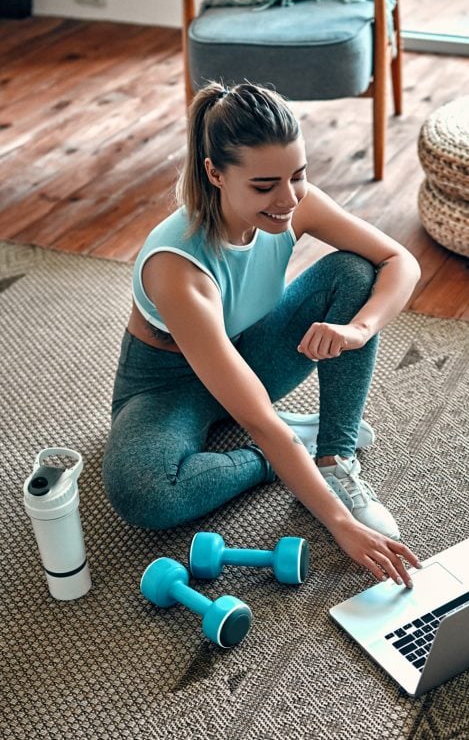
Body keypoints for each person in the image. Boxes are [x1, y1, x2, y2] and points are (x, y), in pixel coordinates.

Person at [102, 81, 422, 587]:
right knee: (144, 491)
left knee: (354, 274)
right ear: (215, 173)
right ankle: (285, 454)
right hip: (166, 384)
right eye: (264, 185)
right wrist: (339, 525)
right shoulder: (177, 267)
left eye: (298, 176)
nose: (288, 198)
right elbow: (256, 417)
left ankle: (333, 453)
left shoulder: (294, 203)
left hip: (248, 350)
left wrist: (359, 329)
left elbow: (398, 261)